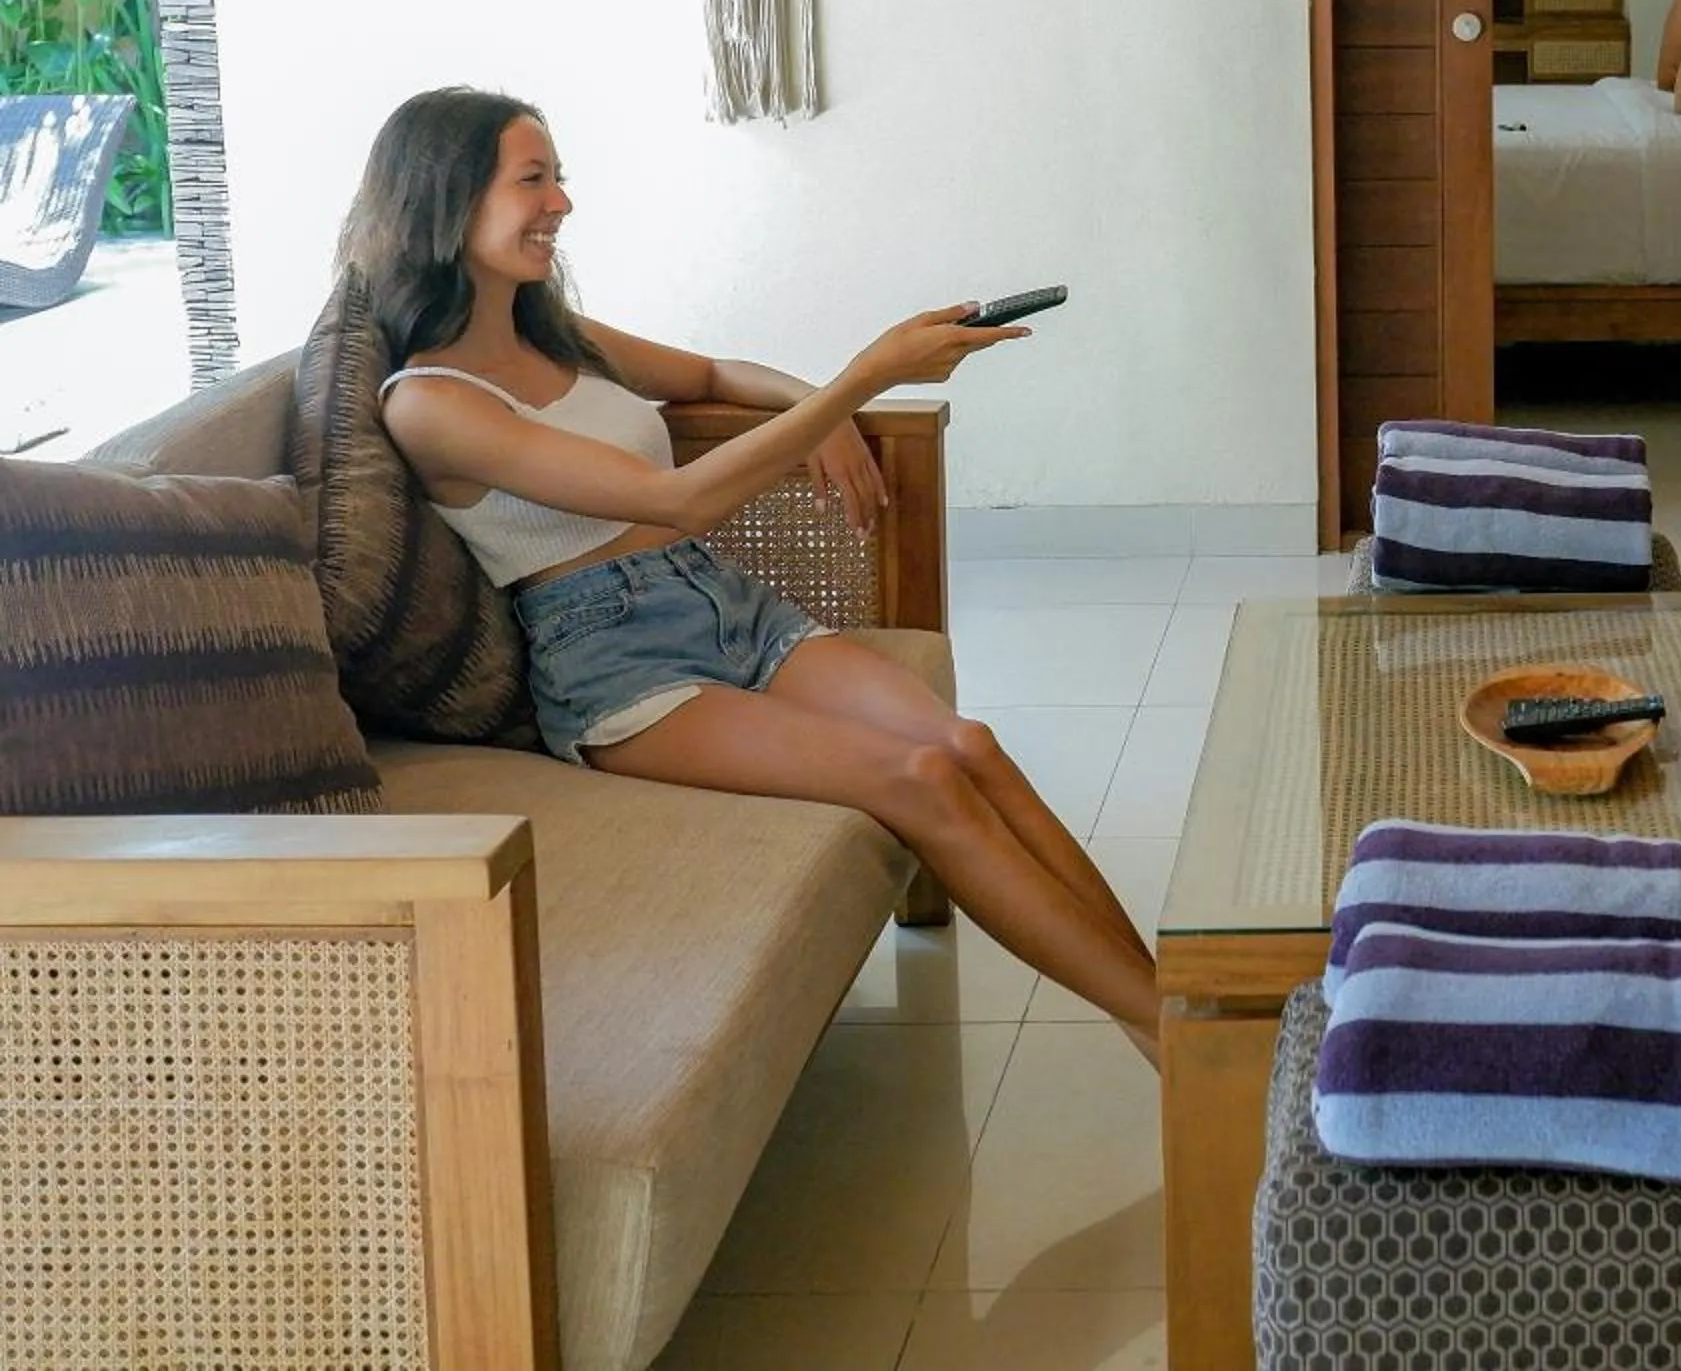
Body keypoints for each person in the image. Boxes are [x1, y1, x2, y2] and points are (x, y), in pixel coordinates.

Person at [351, 88, 1165, 1064]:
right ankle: (1187, 1041)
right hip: (618, 667)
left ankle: (1169, 1014)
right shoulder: (430, 404)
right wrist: (864, 378)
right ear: (448, 201)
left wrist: (817, 405)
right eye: (534, 180)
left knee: (969, 744)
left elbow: (711, 377)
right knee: (918, 776)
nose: (561, 203)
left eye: (558, 177)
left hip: (719, 601)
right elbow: (679, 498)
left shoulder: (556, 333)